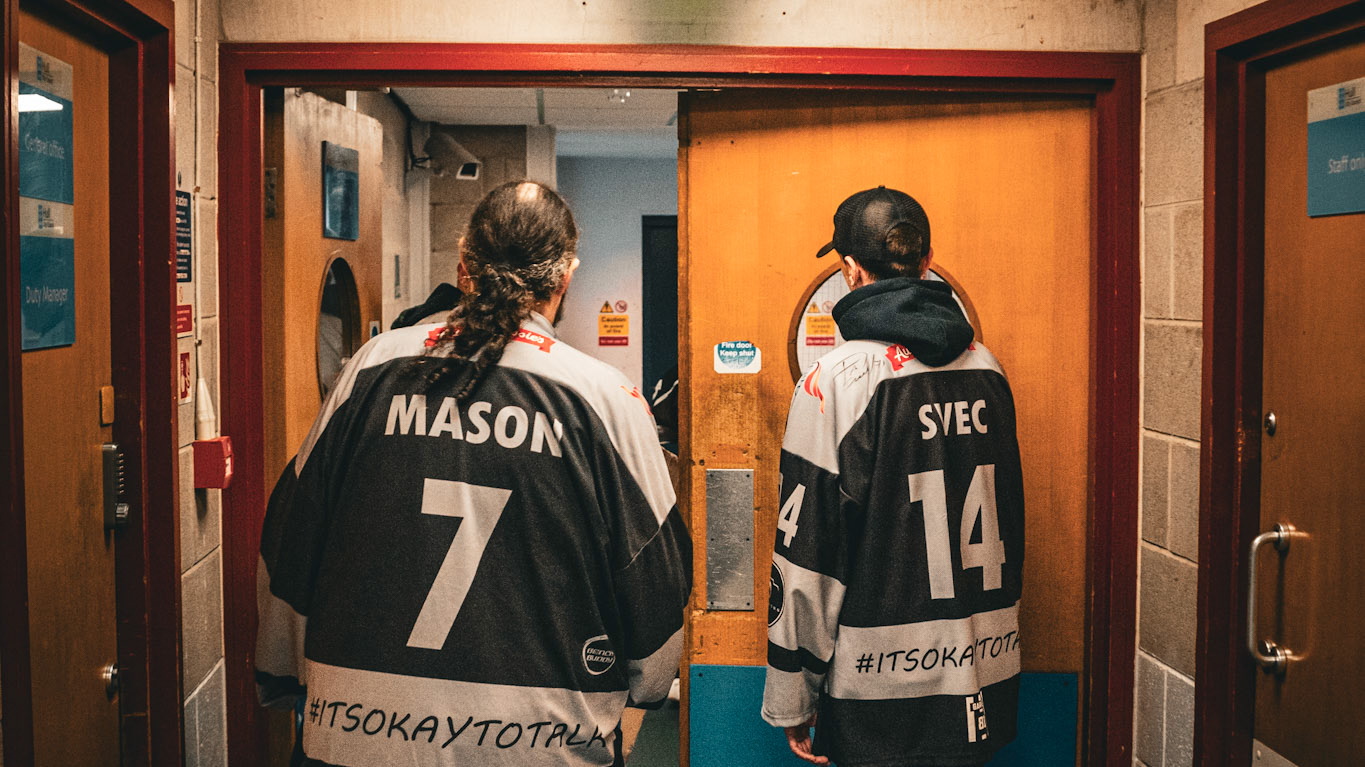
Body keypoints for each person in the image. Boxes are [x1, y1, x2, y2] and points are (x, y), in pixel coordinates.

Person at [256, 180, 692, 767]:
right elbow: (656, 579)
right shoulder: (606, 398)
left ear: (464, 265)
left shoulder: (371, 368)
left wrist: (282, 675)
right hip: (540, 745)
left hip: (356, 734)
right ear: (566, 276)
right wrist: (646, 685)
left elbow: (291, 535)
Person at [762, 187, 1025, 766]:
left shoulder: (834, 381)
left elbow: (808, 559)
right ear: (927, 261)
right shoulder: (988, 368)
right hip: (982, 677)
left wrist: (791, 696)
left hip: (875, 696)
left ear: (850, 270)